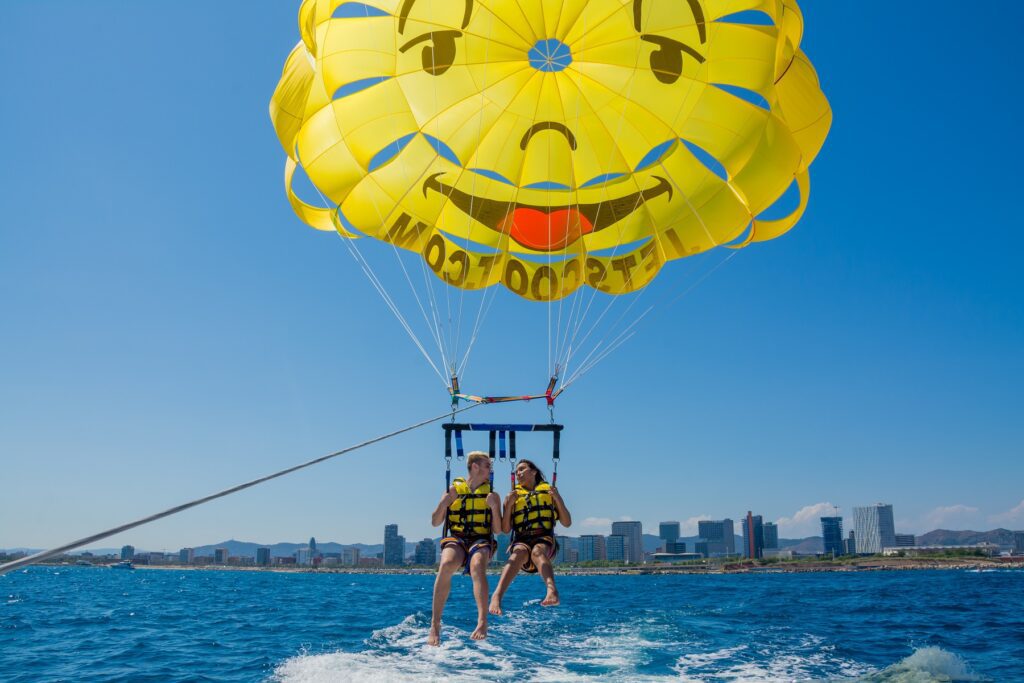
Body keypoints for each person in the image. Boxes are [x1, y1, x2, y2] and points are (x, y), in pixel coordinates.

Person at [428, 450, 501, 646]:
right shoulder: (453, 490)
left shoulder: (492, 494)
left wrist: (494, 507)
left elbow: (498, 530)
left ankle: (482, 621)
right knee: (446, 564)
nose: (491, 470)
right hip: (458, 538)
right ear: (475, 467)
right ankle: (435, 624)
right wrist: (443, 503)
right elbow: (435, 522)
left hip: (481, 539)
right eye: (487, 466)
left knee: (477, 564)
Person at [488, 458, 571, 615]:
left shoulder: (549, 492)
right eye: (516, 471)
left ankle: (552, 590)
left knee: (537, 551)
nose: (518, 473)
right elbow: (505, 529)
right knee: (518, 553)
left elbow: (567, 523)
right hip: (522, 540)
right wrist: (509, 505)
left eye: (522, 469)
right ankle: (497, 596)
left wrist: (558, 498)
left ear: (533, 472)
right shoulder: (512, 496)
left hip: (545, 541)